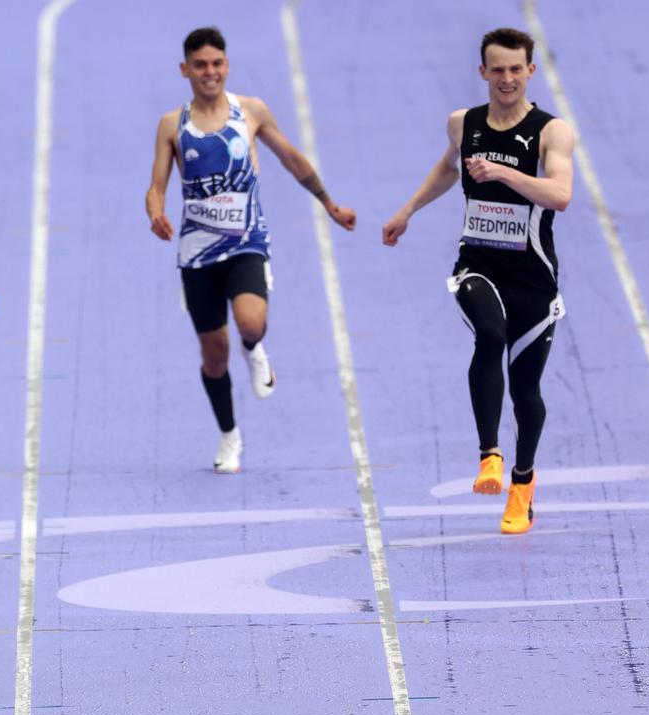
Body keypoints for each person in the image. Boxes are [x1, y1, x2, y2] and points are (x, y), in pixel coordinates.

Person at [382, 28, 574, 534]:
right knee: (489, 334)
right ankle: (489, 454)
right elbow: (448, 170)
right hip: (478, 264)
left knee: (527, 389)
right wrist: (407, 211)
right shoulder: (462, 124)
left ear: (530, 71)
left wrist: (503, 173)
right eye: (498, 69)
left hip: (533, 276)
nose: (507, 78)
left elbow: (560, 194)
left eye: (516, 69)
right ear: (482, 72)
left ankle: (522, 485)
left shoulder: (552, 132)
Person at [146, 26, 357, 474]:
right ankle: (229, 435)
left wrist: (330, 203)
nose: (210, 72)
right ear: (185, 70)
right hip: (197, 255)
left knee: (250, 321)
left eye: (217, 64)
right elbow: (155, 187)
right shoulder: (172, 125)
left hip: (246, 243)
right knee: (214, 357)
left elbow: (293, 160)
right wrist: (155, 214)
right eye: (200, 65)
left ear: (227, 66)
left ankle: (254, 345)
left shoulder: (251, 112)